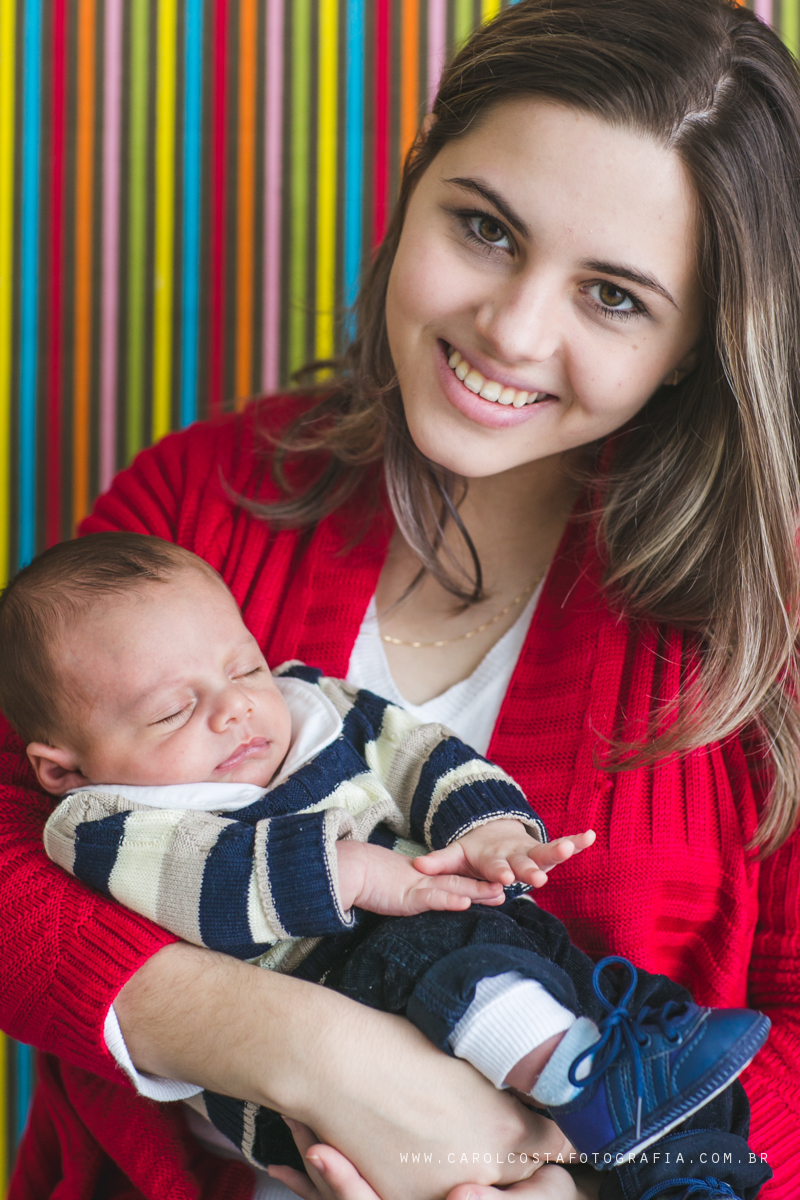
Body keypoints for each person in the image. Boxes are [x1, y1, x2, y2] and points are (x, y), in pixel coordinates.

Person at [0, 1, 799, 1197]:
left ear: (693, 341)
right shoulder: (198, 500)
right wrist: (305, 1046)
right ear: (414, 176)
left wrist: (568, 1186)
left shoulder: (767, 622)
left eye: (614, 297)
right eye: (484, 228)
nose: (512, 331)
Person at [0, 532, 769, 1197]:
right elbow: (200, 880)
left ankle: (682, 1167)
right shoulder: (100, 823)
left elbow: (421, 758)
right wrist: (354, 874)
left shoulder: (314, 705)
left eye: (244, 669)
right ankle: (578, 1075)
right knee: (427, 945)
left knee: (652, 1040)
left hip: (480, 966)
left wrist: (492, 831)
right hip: (321, 1002)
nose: (234, 708)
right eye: (171, 710)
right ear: (62, 769)